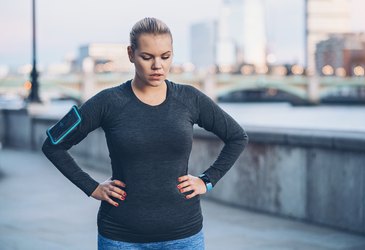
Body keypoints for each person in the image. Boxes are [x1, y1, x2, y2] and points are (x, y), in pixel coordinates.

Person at [42, 17, 248, 250]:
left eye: (165, 56)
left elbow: (237, 137)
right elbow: (53, 145)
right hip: (120, 236)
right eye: (147, 57)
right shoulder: (107, 102)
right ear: (131, 54)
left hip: (184, 236)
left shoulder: (190, 99)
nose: (157, 66)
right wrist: (92, 187)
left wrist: (207, 180)